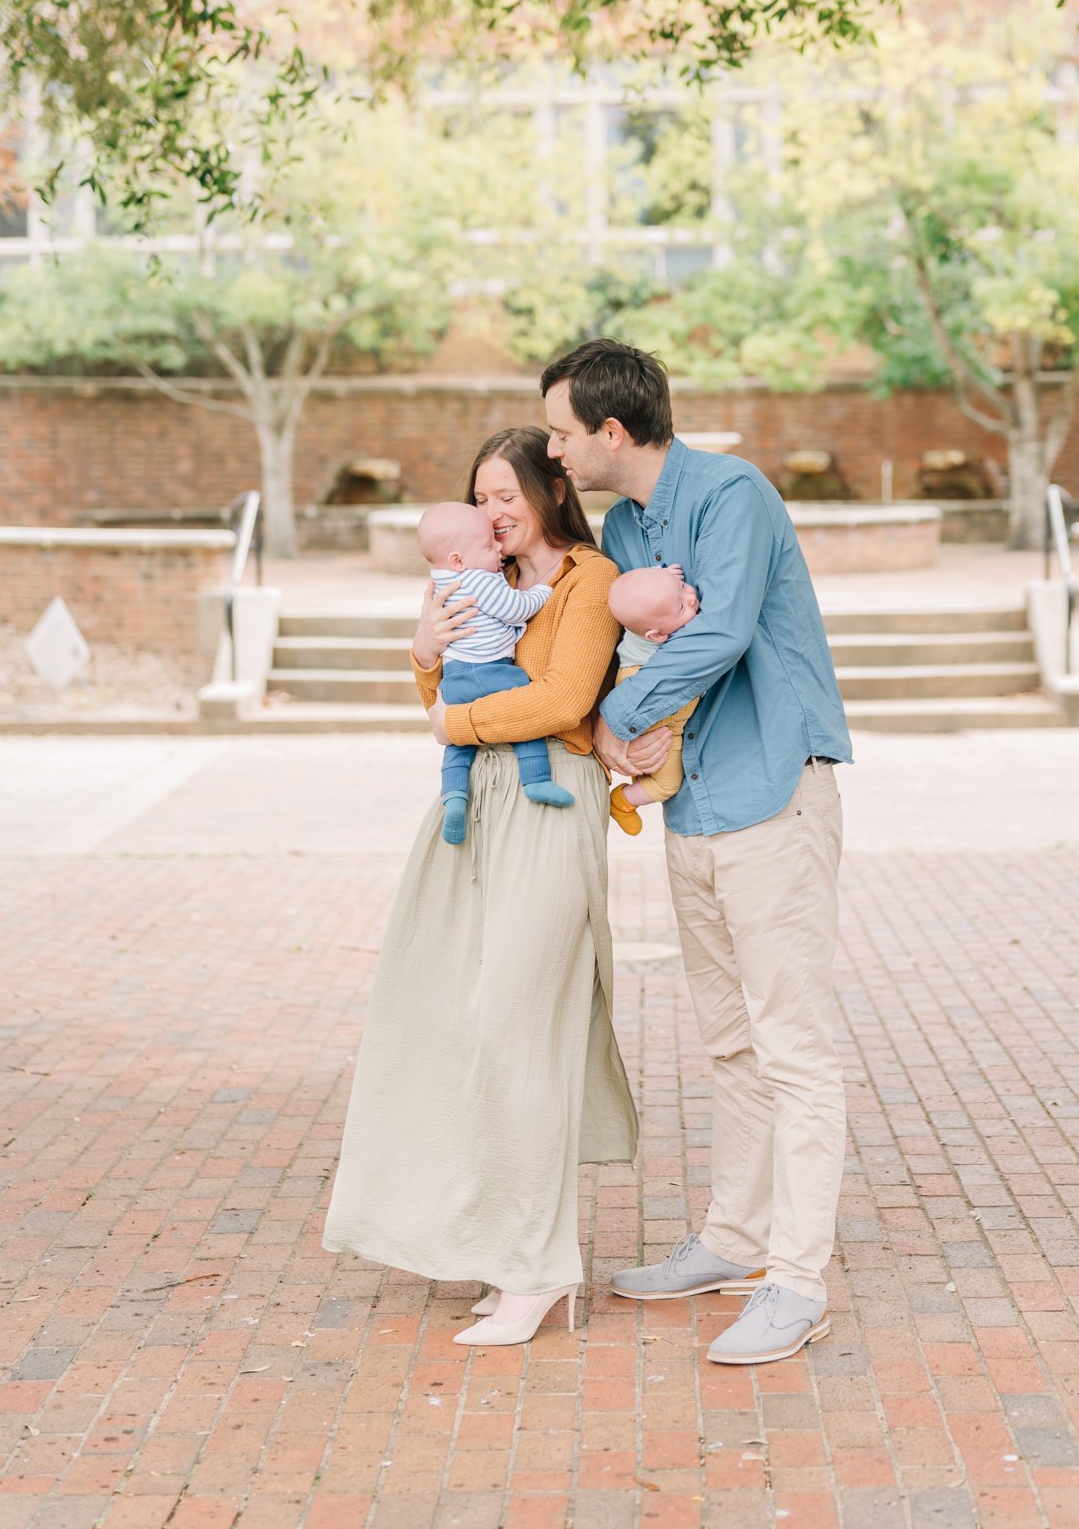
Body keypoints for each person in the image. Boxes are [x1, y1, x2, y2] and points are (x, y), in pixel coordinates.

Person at [543, 339, 852, 1367]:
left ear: (612, 431)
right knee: (728, 1037)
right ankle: (733, 1237)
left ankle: (796, 1278)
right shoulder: (628, 522)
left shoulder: (734, 494)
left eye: (561, 431)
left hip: (775, 788)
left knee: (793, 1044)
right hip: (697, 803)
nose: (556, 448)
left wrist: (609, 720)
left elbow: (710, 637)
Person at [322, 426, 637, 1349]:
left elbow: (561, 701)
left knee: (516, 1024)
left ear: (549, 491)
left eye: (508, 495)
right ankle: (501, 1249)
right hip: (474, 800)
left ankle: (539, 1269)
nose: (495, 513)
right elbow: (441, 673)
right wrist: (423, 652)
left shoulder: (588, 580)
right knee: (449, 1015)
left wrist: (449, 716)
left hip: (547, 800)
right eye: (482, 496)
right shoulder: (470, 581)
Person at [416, 497, 573, 845]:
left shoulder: (440, 581)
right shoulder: (481, 579)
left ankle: (454, 796)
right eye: (489, 545)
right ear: (459, 559)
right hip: (491, 671)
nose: (498, 550)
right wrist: (543, 592)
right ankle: (536, 781)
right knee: (525, 718)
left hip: (454, 678)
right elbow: (514, 609)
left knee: (457, 746)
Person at [605, 563, 701, 836]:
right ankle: (622, 800)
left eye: (682, 589)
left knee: (652, 755)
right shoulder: (670, 637)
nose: (692, 598)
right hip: (645, 688)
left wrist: (667, 577)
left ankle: (640, 778)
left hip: (632, 681)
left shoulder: (655, 609)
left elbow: (652, 587)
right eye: (682, 608)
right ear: (656, 636)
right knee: (666, 784)